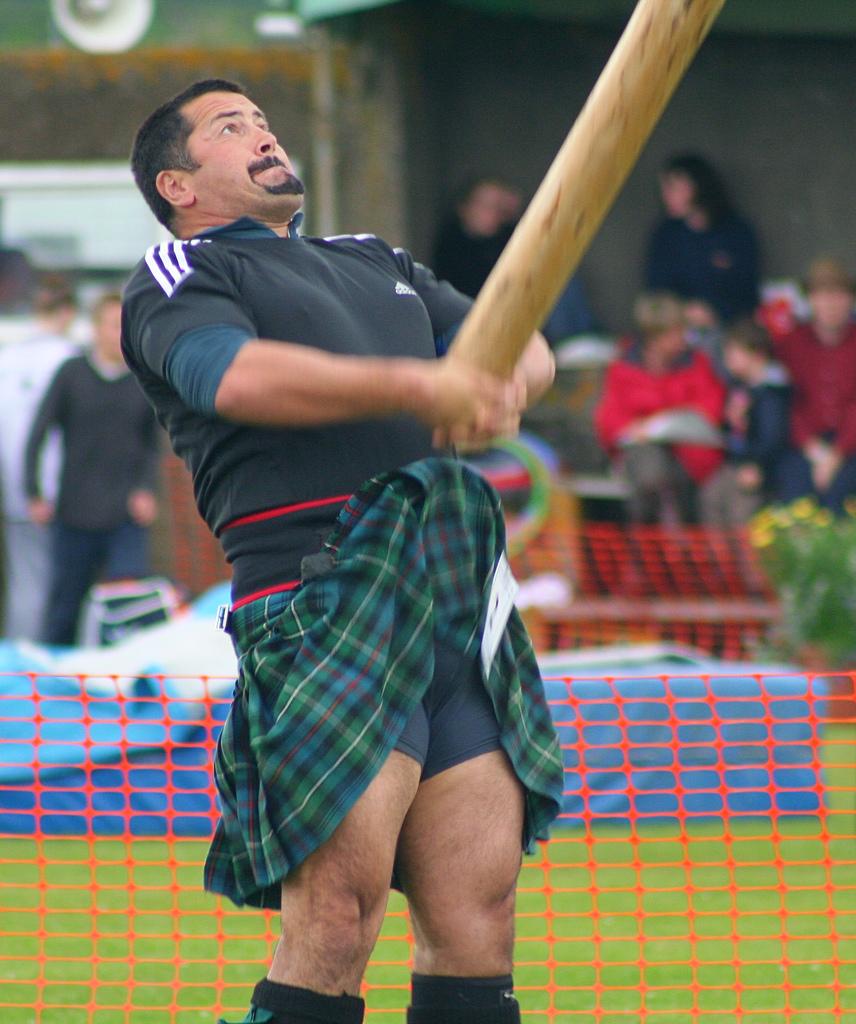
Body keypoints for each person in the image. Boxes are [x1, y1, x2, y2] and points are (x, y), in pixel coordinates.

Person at [121, 79, 563, 1024]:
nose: (264, 135)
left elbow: (521, 348)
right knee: (335, 919)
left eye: (264, 121)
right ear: (178, 184)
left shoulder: (373, 258)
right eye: (230, 128)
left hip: (453, 603)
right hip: (320, 604)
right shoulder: (180, 273)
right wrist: (423, 382)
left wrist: (501, 378)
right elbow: (233, 377)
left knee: (479, 917)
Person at [25, 292, 160, 645]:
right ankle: (53, 684)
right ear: (96, 328)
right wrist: (34, 493)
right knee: (64, 608)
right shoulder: (71, 374)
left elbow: (153, 444)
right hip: (74, 514)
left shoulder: (142, 380)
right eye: (112, 324)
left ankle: (123, 688)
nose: (119, 333)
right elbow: (38, 434)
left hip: (124, 516)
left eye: (125, 326)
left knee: (127, 608)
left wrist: (146, 490)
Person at [594, 291, 726, 525]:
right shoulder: (623, 367)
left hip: (690, 453)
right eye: (675, 333)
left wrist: (665, 421)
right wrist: (636, 429)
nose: (683, 339)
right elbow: (609, 418)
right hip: (641, 452)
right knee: (650, 473)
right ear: (654, 337)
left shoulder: (697, 363)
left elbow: (711, 407)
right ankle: (648, 547)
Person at [0, 276, 80, 640]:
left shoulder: (8, 358)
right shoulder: (71, 361)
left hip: (13, 486)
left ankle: (18, 669)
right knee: (63, 584)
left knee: (24, 582)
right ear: (67, 313)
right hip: (62, 489)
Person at [432, 175, 596, 346]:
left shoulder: (504, 234)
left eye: (498, 207)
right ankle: (571, 342)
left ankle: (580, 340)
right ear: (464, 209)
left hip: (515, 305)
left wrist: (516, 209)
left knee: (560, 273)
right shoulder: (453, 243)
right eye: (485, 205)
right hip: (480, 314)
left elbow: (539, 239)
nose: (492, 212)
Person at [773, 257, 856, 514]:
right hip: (805, 443)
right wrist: (812, 448)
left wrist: (837, 453)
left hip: (849, 444)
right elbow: (786, 401)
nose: (831, 305)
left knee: (842, 495)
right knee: (795, 494)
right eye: (822, 296)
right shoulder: (790, 344)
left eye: (838, 295)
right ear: (809, 301)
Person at [645, 153, 760, 329]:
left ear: (698, 186)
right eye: (664, 188)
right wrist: (683, 310)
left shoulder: (735, 232)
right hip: (676, 329)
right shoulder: (665, 234)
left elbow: (748, 288)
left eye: (674, 188)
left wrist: (716, 311)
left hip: (730, 328)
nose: (666, 195)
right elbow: (655, 288)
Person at [698, 318, 790, 526]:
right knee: (711, 497)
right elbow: (729, 432)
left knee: (741, 513)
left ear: (757, 355)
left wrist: (757, 465)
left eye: (734, 353)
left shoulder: (772, 394)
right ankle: (718, 557)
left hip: (759, 469)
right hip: (734, 464)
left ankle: (744, 559)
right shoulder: (737, 390)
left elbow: (773, 437)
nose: (727, 359)